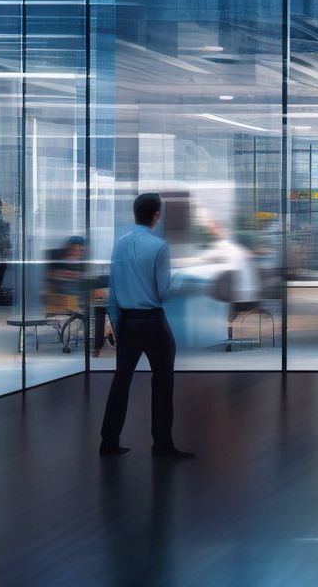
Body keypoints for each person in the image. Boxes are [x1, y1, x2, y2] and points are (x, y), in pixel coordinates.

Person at [98, 192, 192, 459]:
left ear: (135, 213)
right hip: (153, 322)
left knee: (121, 381)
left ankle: (109, 441)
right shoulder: (159, 247)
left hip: (127, 322)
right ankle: (161, 445)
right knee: (163, 382)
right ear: (156, 215)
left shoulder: (120, 244)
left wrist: (116, 323)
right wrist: (181, 278)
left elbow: (113, 289)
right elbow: (162, 292)